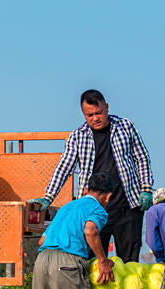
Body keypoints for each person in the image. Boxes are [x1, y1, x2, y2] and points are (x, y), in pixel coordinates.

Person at [29, 89, 153, 262]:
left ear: (106, 107)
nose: (95, 118)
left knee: (129, 260)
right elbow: (64, 167)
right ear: (83, 114)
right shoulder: (78, 136)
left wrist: (146, 189)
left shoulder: (125, 126)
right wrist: (48, 197)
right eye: (89, 115)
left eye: (99, 113)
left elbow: (142, 158)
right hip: (94, 210)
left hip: (128, 206)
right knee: (91, 259)